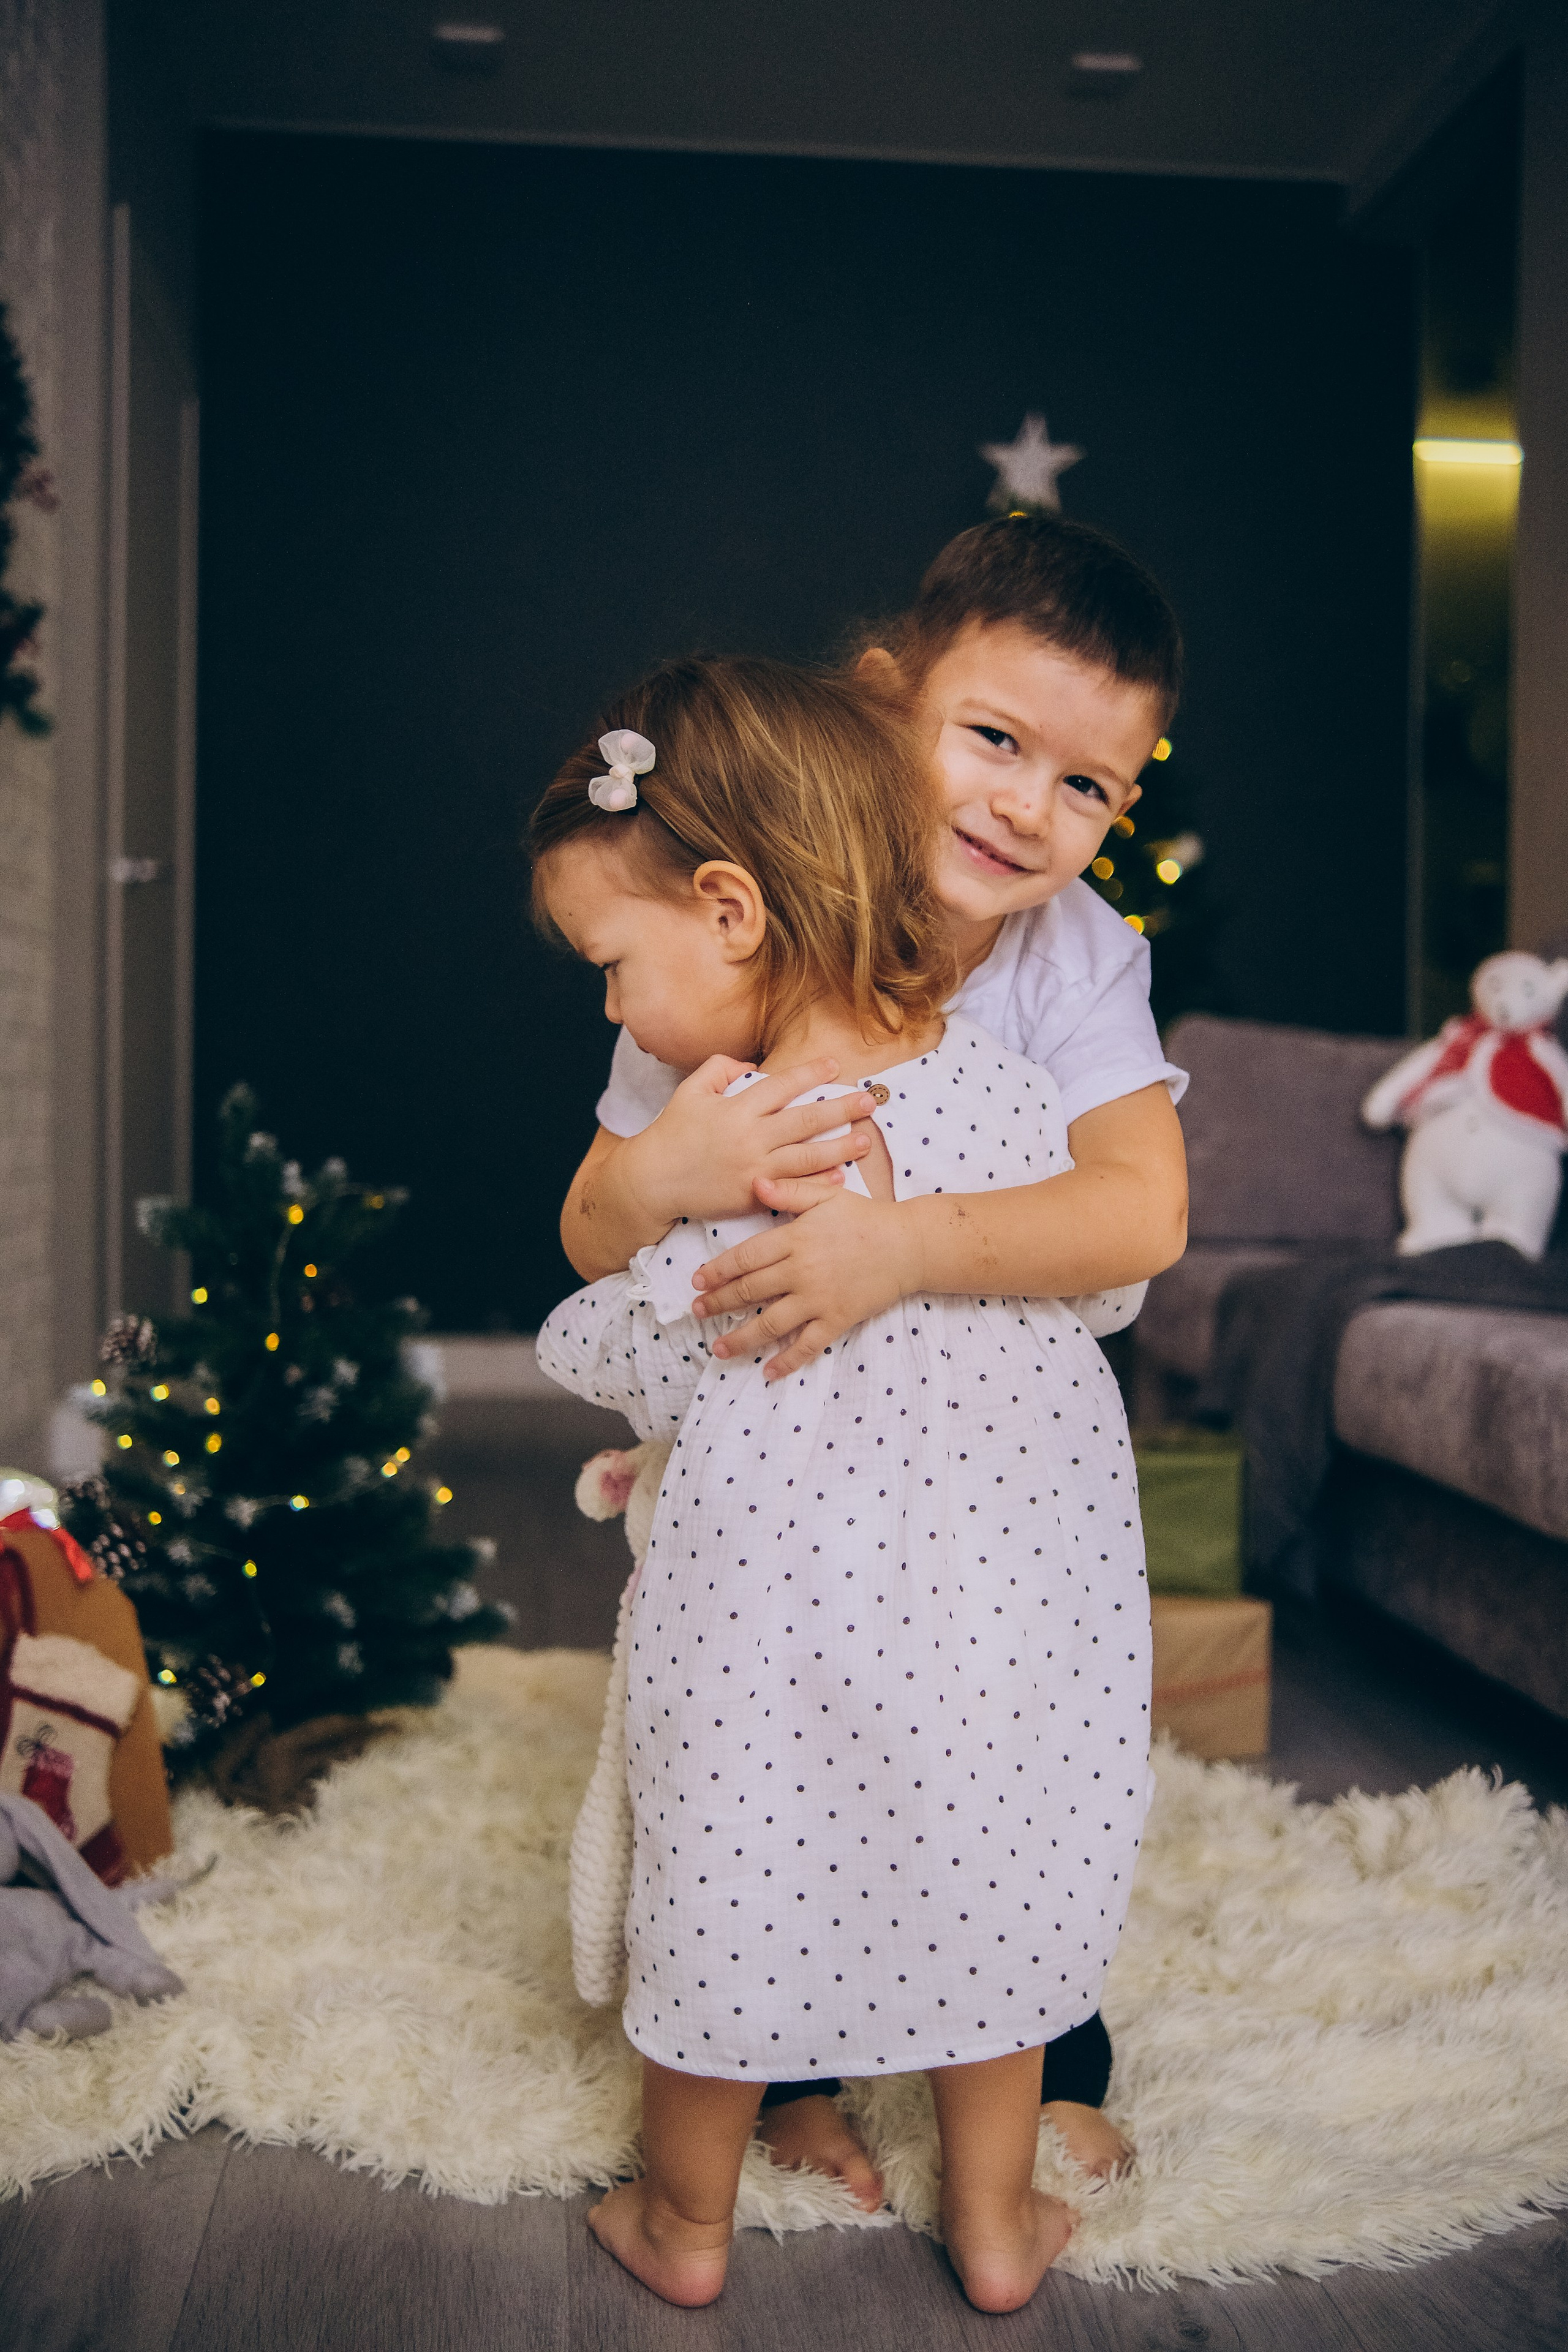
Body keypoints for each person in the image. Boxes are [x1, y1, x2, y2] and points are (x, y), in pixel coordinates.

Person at [554, 513, 1189, 2196]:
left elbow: (1140, 1211)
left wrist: (898, 1248)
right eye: (995, 739)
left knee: (1003, 1749)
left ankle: (1048, 2051)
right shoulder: (758, 901)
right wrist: (669, 1170)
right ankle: (786, 2069)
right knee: (777, 1741)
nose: (1028, 809)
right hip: (792, 1470)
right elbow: (594, 1225)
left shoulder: (1077, 957)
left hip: (980, 1473)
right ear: (889, 694)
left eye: (1088, 786)